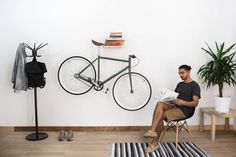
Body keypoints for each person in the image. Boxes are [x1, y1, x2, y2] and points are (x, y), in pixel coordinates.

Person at [144, 64, 201, 153]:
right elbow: (175, 98)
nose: (181, 75)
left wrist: (183, 102)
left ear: (189, 72)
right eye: (179, 73)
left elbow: (195, 103)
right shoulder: (180, 84)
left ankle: (154, 142)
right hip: (176, 106)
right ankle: (152, 131)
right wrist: (167, 99)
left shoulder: (195, 86)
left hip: (185, 111)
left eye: (182, 73)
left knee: (159, 116)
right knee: (160, 103)